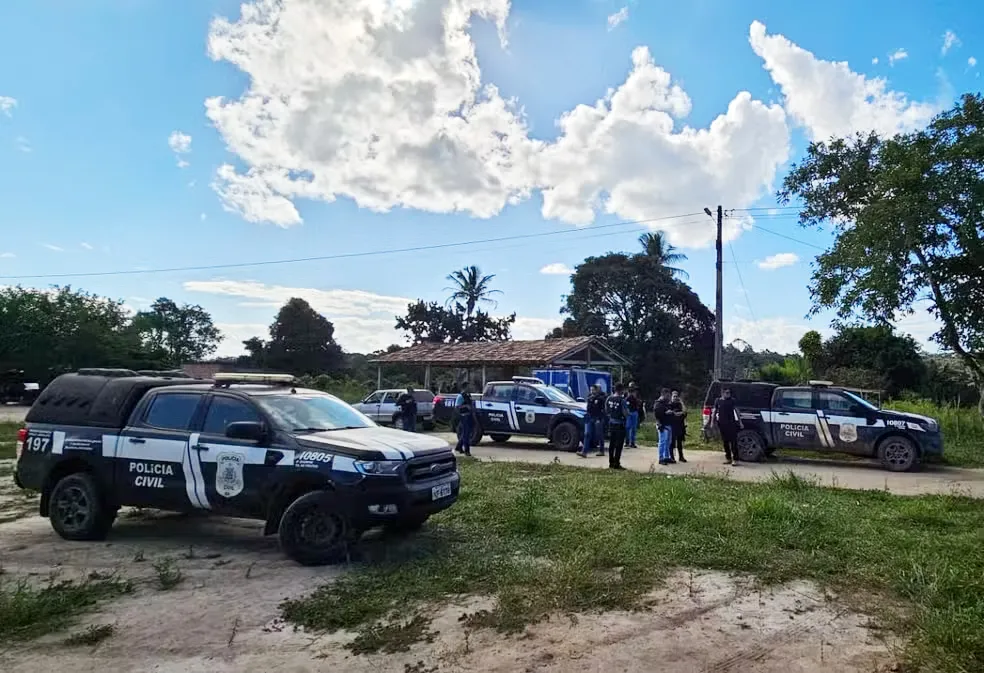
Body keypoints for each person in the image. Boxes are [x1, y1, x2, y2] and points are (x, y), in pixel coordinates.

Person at [713, 387, 743, 466]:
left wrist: (740, 422)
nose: (728, 394)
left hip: (731, 424)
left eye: (729, 393)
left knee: (733, 442)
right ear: (722, 393)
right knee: (725, 442)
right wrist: (712, 422)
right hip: (722, 424)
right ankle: (728, 458)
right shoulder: (718, 401)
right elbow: (714, 411)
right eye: (727, 393)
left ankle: (735, 459)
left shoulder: (732, 401)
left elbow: (737, 411)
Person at [579, 384, 607, 458]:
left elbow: (603, 410)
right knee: (587, 434)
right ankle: (584, 452)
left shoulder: (601, 398)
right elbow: (588, 408)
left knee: (599, 434)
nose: (591, 391)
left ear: (597, 390)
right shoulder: (589, 397)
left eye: (593, 390)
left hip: (597, 418)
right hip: (589, 417)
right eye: (591, 390)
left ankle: (601, 450)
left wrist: (600, 419)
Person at [605, 383, 629, 469]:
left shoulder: (609, 398)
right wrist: (627, 414)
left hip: (611, 423)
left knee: (611, 444)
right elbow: (625, 413)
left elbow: (606, 410)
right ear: (621, 390)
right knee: (619, 445)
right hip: (620, 424)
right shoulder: (622, 400)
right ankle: (616, 463)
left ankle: (611, 462)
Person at [652, 388, 673, 465]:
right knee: (662, 442)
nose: (668, 397)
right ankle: (661, 458)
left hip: (668, 424)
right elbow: (657, 415)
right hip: (662, 424)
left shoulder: (666, 403)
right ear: (663, 394)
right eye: (667, 396)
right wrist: (665, 413)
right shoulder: (658, 403)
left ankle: (666, 457)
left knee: (668, 442)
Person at [454, 383, 475, 456]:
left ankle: (459, 446)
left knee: (466, 432)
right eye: (468, 386)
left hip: (469, 415)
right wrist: (466, 406)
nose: (470, 388)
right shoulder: (460, 396)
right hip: (464, 416)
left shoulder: (468, 395)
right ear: (464, 387)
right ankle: (467, 450)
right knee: (466, 434)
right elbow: (457, 407)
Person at [669, 390, 688, 462]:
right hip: (672, 426)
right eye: (674, 396)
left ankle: (681, 456)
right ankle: (672, 457)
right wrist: (678, 413)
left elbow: (685, 412)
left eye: (676, 396)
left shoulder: (680, 404)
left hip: (680, 425)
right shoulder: (669, 404)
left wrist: (681, 402)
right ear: (671, 397)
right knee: (672, 443)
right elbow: (671, 413)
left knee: (680, 442)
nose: (675, 398)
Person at [625, 382, 642, 449]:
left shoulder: (636, 393)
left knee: (634, 428)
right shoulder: (626, 392)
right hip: (628, 412)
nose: (632, 387)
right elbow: (624, 401)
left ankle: (632, 442)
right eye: (631, 386)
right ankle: (627, 442)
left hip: (635, 411)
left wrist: (635, 398)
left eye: (633, 386)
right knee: (627, 427)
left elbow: (640, 402)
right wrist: (628, 395)